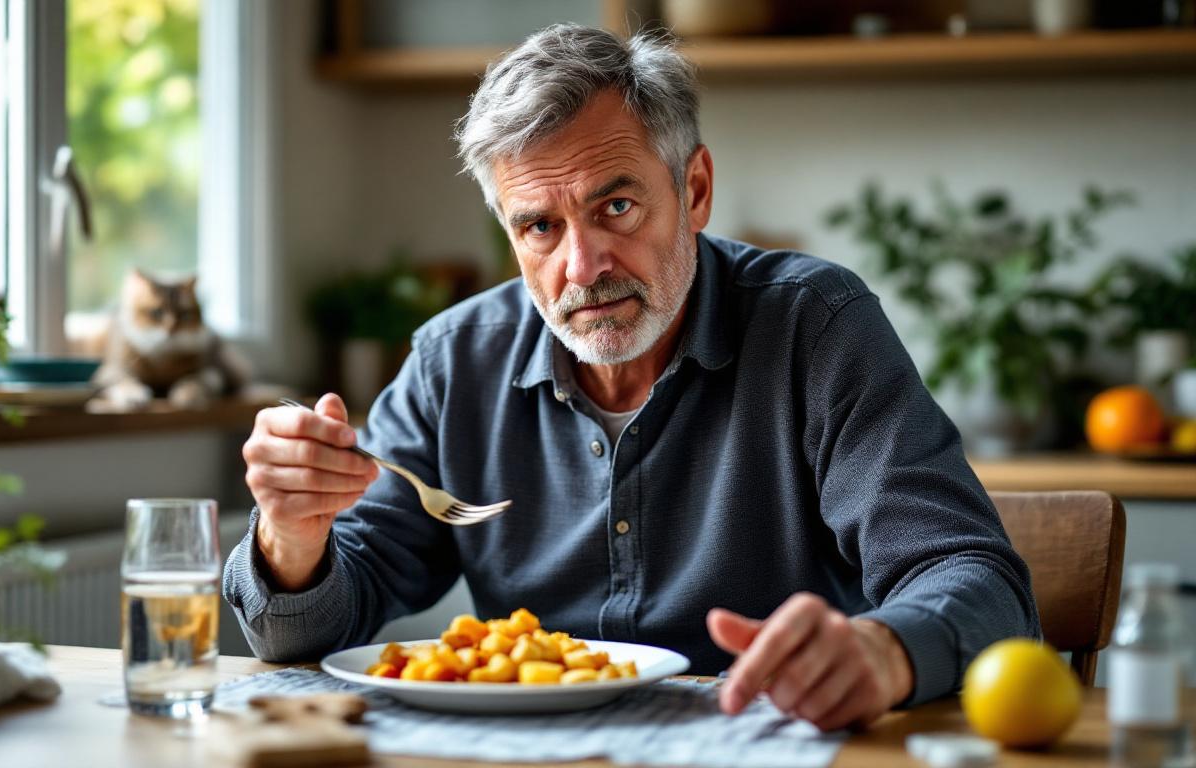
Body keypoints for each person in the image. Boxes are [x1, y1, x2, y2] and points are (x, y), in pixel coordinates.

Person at [225, 24, 1038, 731]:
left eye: (616, 208)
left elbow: (978, 580)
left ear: (694, 190)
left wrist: (885, 650)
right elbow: (313, 625)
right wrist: (293, 540)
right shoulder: (454, 359)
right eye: (540, 226)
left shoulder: (814, 326)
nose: (582, 267)